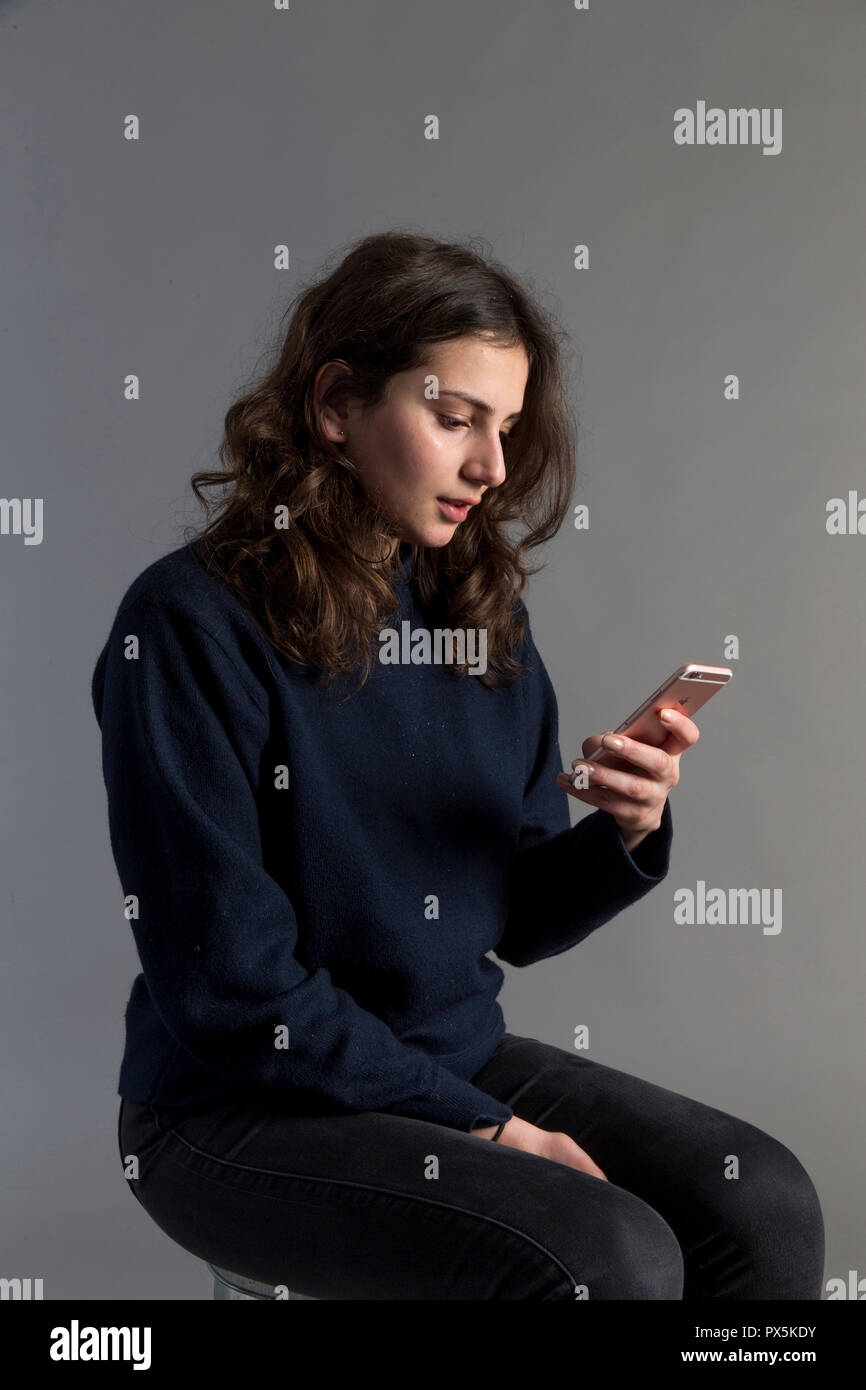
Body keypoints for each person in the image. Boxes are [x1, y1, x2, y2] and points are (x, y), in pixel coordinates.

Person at [93, 230, 824, 1300]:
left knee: (760, 1200)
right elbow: (232, 991)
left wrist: (623, 831)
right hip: (232, 1106)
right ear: (337, 404)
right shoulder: (186, 624)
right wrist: (481, 1125)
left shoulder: (473, 615)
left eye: (507, 429)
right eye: (454, 420)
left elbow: (516, 915)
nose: (490, 468)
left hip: (444, 1058)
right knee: (603, 1258)